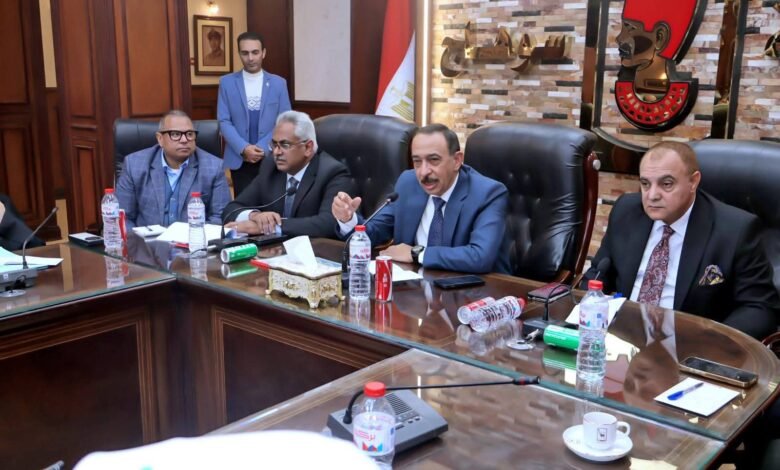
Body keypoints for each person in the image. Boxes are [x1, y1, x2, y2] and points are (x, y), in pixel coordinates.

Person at [582, 141, 779, 340]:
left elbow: (760, 308)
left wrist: (712, 343)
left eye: (666, 184)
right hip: (620, 339)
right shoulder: (626, 211)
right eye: (645, 184)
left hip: (690, 344)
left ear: (693, 182)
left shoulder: (735, 229)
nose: (652, 195)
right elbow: (598, 274)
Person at [332, 123, 510, 274]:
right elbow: (375, 232)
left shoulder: (488, 193)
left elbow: (479, 257)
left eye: (434, 160)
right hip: (415, 288)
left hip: (475, 292)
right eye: (417, 161)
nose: (423, 172)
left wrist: (416, 253)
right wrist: (348, 219)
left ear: (457, 160)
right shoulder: (408, 183)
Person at [223, 111, 354, 239]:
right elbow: (231, 209)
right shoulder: (271, 167)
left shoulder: (333, 173)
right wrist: (255, 216)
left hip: (316, 250)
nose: (276, 152)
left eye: (285, 145)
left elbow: (329, 223)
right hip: (274, 249)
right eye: (274, 144)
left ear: (308, 148)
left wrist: (268, 227)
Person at [116, 110, 231, 229]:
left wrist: (194, 236)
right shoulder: (134, 165)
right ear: (160, 139)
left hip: (193, 238)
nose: (184, 140)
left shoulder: (214, 167)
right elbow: (123, 217)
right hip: (146, 239)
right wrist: (136, 240)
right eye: (175, 134)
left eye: (190, 134)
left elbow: (220, 217)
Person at [218, 31, 291, 196]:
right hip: (239, 158)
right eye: (245, 53)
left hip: (272, 156)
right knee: (243, 206)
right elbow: (224, 121)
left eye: (255, 52)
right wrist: (243, 148)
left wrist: (262, 148)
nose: (250, 58)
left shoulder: (279, 84)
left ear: (263, 53)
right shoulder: (226, 83)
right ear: (239, 54)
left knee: (271, 206)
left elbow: (284, 121)